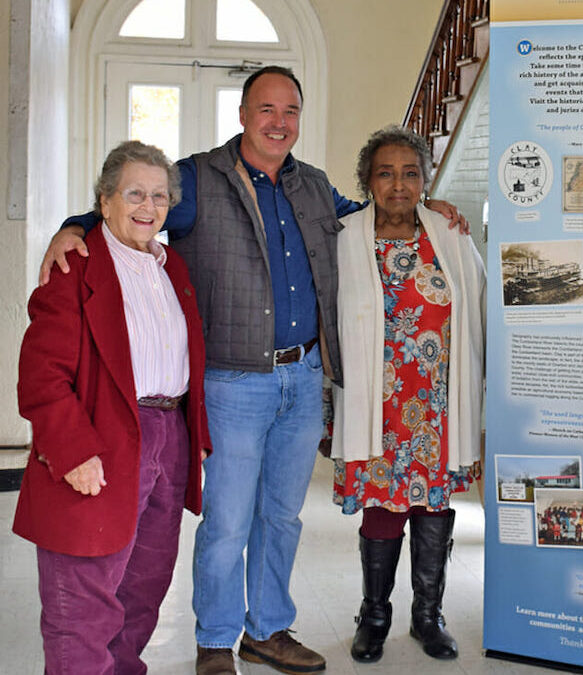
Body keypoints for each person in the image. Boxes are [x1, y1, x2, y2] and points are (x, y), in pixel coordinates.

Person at [38, 66, 469, 675]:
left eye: (290, 111)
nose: (279, 122)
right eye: (267, 109)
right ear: (243, 114)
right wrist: (71, 227)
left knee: (281, 516)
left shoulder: (315, 187)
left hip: (303, 378)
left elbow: (374, 218)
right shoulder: (196, 177)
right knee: (229, 519)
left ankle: (267, 629)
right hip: (234, 382)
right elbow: (137, 208)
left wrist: (430, 208)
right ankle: (216, 639)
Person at [14, 140, 211, 674]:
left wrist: (195, 440)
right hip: (99, 440)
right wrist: (73, 451)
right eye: (134, 194)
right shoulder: (75, 265)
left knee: (142, 590)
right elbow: (41, 376)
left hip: (167, 438)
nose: (148, 207)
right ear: (104, 202)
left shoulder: (173, 268)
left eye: (159, 196)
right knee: (83, 600)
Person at [330, 125, 484, 664]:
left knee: (432, 505)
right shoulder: (345, 235)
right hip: (378, 403)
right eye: (386, 173)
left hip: (438, 404)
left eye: (411, 172)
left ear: (425, 179)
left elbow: (479, 306)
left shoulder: (449, 233)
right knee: (382, 502)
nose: (399, 184)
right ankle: (374, 616)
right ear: (368, 181)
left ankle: (427, 615)